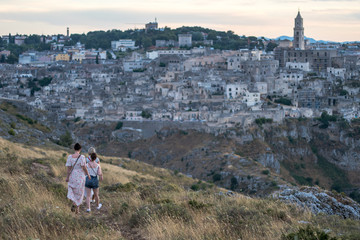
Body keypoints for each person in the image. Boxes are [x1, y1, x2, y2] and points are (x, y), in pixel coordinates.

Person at [66, 143, 90, 214]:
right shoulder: (82, 157)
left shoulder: (70, 157)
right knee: (79, 192)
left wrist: (67, 177)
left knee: (73, 190)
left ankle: (74, 203)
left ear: (74, 149)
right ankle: (77, 209)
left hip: (72, 175)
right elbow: (84, 167)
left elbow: (68, 169)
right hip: (80, 176)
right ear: (80, 149)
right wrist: (88, 175)